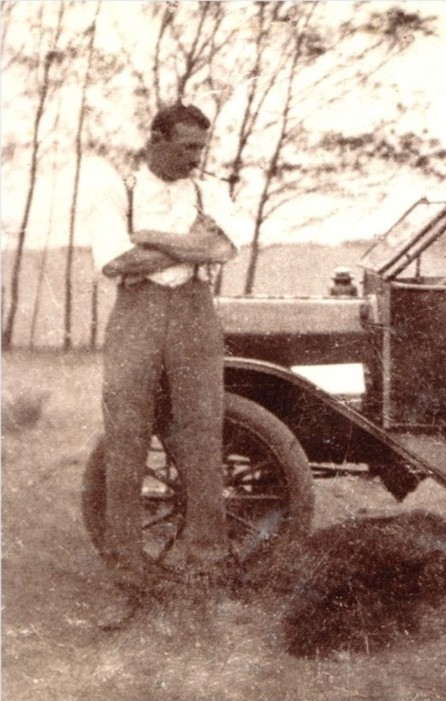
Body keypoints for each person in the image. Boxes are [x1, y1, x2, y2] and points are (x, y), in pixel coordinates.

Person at [85, 102, 251, 629]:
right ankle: (127, 580)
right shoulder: (119, 189)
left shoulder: (211, 189)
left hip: (194, 316)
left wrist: (152, 237)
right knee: (126, 443)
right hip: (136, 314)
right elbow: (115, 262)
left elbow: (224, 252)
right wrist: (192, 246)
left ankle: (209, 572)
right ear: (156, 140)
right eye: (185, 148)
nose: (195, 159)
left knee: (203, 438)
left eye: (201, 148)